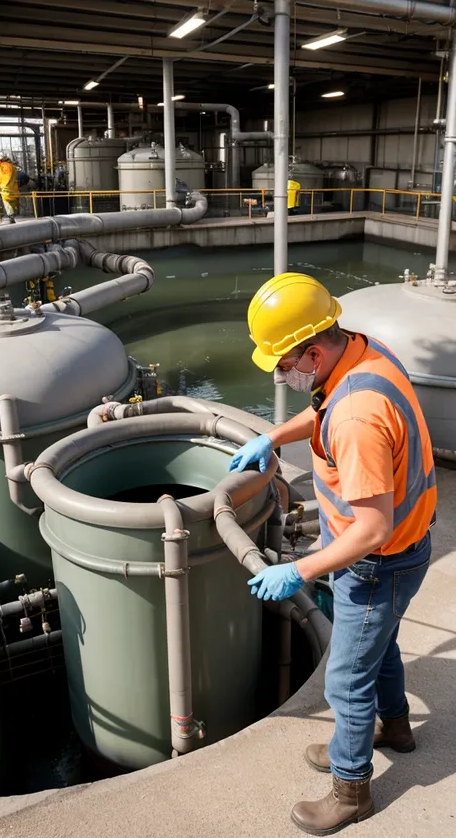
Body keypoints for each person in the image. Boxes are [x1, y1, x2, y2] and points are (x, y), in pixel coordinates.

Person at [230, 272, 436, 835]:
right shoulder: (361, 353)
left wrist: (298, 569)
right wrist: (272, 437)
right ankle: (394, 727)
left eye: (283, 364)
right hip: (402, 550)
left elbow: (370, 530)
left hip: (378, 562)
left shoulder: (357, 419)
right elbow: (325, 410)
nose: (280, 374)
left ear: (313, 353)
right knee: (380, 646)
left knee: (345, 677)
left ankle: (352, 789)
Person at [0, 152, 20, 223]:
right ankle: (14, 213)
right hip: (14, 190)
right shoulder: (13, 167)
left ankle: (11, 216)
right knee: (14, 204)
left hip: (5, 190)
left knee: (7, 204)